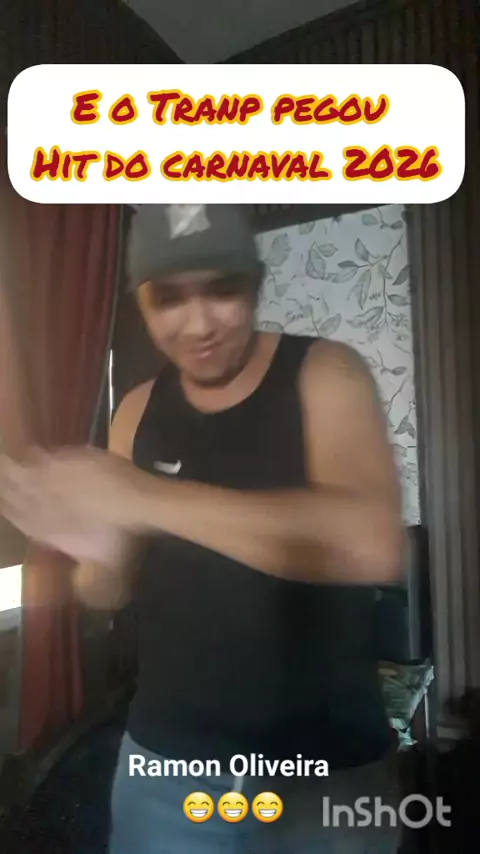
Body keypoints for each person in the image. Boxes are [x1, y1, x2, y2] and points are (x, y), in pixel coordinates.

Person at [0, 204, 404, 853]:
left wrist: (145, 495)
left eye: (222, 288)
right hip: (166, 765)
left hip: (324, 769)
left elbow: (372, 544)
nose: (199, 323)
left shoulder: (326, 373)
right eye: (168, 297)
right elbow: (108, 590)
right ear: (141, 301)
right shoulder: (136, 410)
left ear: (256, 284)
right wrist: (98, 552)